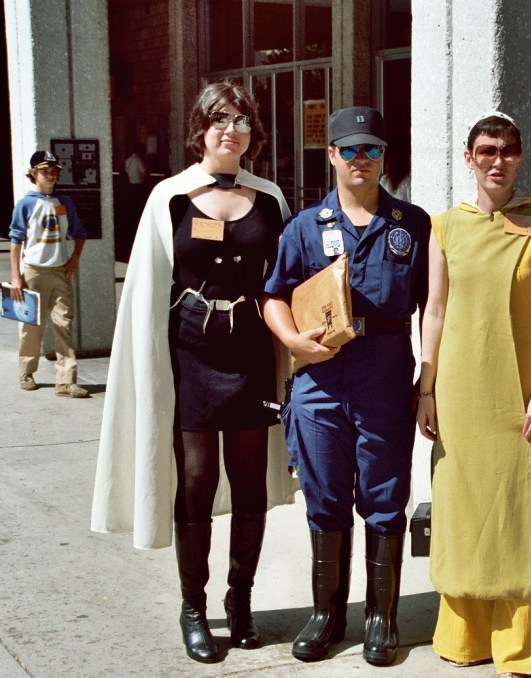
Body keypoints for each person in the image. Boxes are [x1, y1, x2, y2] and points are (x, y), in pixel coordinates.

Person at [91, 81, 297, 663]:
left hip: (251, 355)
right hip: (192, 356)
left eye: (239, 120)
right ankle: (193, 607)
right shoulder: (170, 198)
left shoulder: (271, 197)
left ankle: (241, 602)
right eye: (217, 120)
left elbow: (282, 281)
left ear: (253, 132)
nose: (228, 130)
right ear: (200, 130)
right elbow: (151, 286)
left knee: (252, 483)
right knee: (197, 485)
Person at [262, 106, 429, 666]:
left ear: (385, 158)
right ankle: (326, 614)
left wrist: (429, 381)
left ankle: (381, 615)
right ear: (331, 154)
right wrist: (293, 342)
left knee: (384, 497)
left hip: (383, 371)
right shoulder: (304, 226)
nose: (362, 160)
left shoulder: (413, 224)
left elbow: (437, 305)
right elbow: (274, 295)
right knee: (325, 496)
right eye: (351, 149)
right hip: (321, 377)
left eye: (373, 150)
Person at [416, 112, 531, 676]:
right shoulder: (443, 227)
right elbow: (433, 309)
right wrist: (426, 387)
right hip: (459, 389)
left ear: (520, 156)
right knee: (466, 510)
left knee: (524, 509)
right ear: (468, 157)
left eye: (507, 150)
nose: (497, 160)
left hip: (522, 390)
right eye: (486, 150)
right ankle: (466, 635)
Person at [7, 150, 89, 398]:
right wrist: (16, 277)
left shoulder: (64, 203)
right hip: (34, 271)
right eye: (45, 171)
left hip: (60, 271)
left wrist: (73, 259)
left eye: (54, 171)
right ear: (34, 174)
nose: (51, 175)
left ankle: (66, 381)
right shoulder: (26, 203)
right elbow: (15, 241)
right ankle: (26, 372)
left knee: (63, 324)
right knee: (31, 324)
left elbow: (79, 233)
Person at [125, 142, 150, 226]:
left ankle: (133, 221)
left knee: (133, 204)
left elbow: (127, 171)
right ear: (140, 151)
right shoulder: (138, 160)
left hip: (131, 184)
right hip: (139, 184)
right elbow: (143, 172)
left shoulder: (128, 160)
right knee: (140, 205)